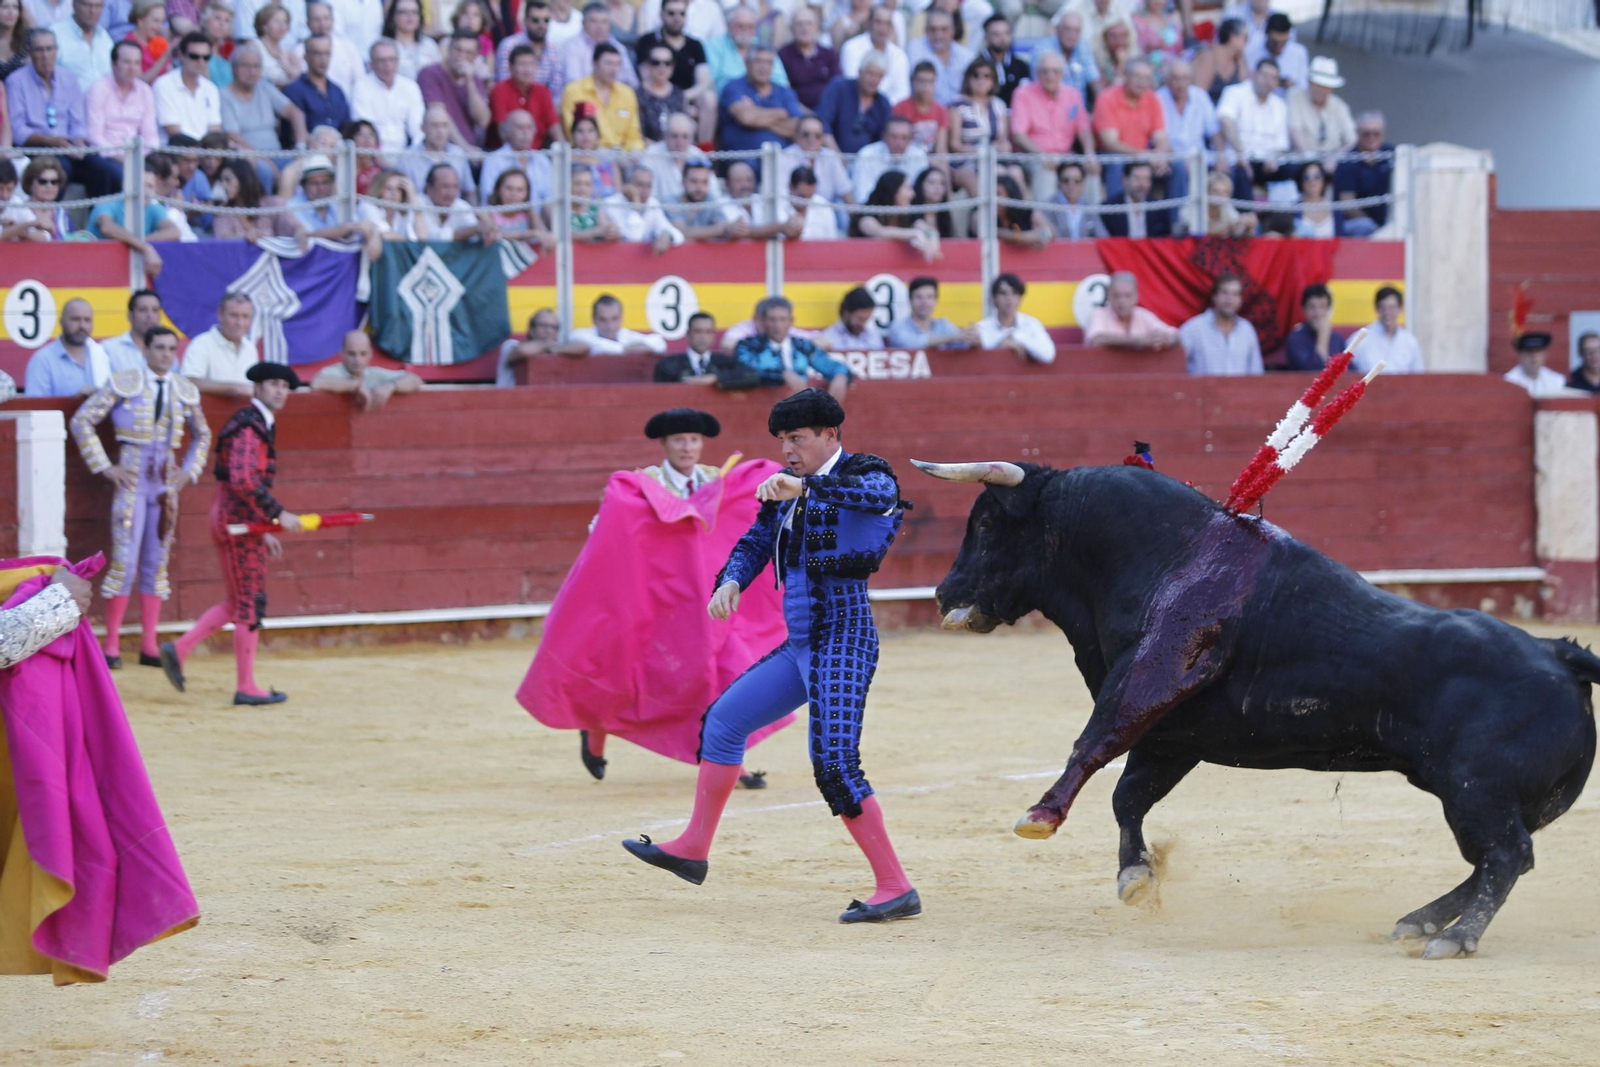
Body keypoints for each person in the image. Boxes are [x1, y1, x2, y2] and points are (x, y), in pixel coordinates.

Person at [623, 388, 919, 924]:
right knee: (723, 721)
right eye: (782, 441)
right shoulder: (783, 487)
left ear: (829, 434)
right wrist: (731, 579)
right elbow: (756, 540)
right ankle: (693, 848)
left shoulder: (864, 470)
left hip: (845, 639)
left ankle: (896, 886)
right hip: (803, 642)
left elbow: (877, 495)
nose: (787, 450)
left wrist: (804, 485)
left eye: (797, 439)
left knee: (834, 764)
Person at [517, 405, 787, 787]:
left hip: (707, 600)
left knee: (724, 675)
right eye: (679, 440)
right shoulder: (643, 486)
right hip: (656, 598)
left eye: (694, 440)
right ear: (664, 444)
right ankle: (594, 731)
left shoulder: (720, 481)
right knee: (626, 667)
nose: (687, 447)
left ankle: (732, 762)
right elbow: (611, 533)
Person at [160, 362, 306, 706]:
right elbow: (243, 480)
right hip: (237, 524)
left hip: (239, 521)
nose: (279, 391)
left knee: (236, 601)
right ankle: (246, 686)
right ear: (256, 388)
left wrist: (264, 527)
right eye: (273, 384)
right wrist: (276, 514)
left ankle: (178, 650)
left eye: (284, 386)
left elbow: (242, 482)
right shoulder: (250, 427)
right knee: (249, 603)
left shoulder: (255, 424)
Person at [69, 325, 210, 668]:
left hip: (164, 486)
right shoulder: (125, 380)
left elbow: (203, 434)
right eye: (159, 347)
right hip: (132, 478)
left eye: (171, 348)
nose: (166, 354)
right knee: (125, 562)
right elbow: (82, 421)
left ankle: (148, 646)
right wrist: (105, 467)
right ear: (145, 349)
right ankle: (113, 646)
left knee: (155, 563)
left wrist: (188, 472)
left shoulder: (184, 389)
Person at [8, 28, 123, 195]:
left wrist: (77, 141)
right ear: (30, 52)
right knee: (62, 168)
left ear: (57, 51)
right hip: (36, 147)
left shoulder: (68, 78)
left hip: (67, 146)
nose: (45, 55)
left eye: (50, 49)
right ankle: (53, 219)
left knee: (108, 170)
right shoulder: (16, 81)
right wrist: (49, 140)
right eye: (40, 50)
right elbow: (18, 130)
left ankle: (98, 218)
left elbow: (78, 122)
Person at [1009, 50, 1097, 197]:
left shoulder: (1072, 94)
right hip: (1034, 155)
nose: (1050, 76)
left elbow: (1084, 130)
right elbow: (1018, 134)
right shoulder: (1023, 94)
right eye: (1045, 71)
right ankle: (1044, 218)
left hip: (1067, 155)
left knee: (1092, 169)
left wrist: (1089, 153)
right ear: (1037, 73)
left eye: (1055, 71)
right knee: (1046, 170)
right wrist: (1042, 154)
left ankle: (1091, 218)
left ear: (1062, 74)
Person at [221, 43, 310, 186]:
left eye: (256, 66)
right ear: (234, 68)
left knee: (309, 164)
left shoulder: (264, 87)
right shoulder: (224, 95)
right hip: (248, 157)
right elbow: (233, 136)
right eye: (246, 66)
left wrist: (300, 148)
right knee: (266, 172)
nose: (252, 71)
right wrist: (266, 161)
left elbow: (296, 113)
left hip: (278, 153)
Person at [735, 295, 851, 398]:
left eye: (783, 319)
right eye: (772, 320)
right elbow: (746, 370)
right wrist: (781, 375)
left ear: (791, 321)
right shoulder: (748, 346)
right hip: (760, 407)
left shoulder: (802, 346)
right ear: (763, 321)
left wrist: (840, 376)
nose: (778, 325)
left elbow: (831, 365)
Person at [1218, 57, 1290, 199]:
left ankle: (1288, 219)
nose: (1268, 82)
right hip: (1239, 159)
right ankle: (1248, 217)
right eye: (1265, 76)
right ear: (1254, 74)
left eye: (1273, 78)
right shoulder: (1234, 92)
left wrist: (1273, 159)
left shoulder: (1280, 105)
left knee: (1294, 170)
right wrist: (1241, 154)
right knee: (1241, 172)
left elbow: (1282, 144)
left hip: (1266, 163)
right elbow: (1225, 120)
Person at [87, 167, 177, 277]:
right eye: (141, 184)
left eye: (150, 186)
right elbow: (107, 227)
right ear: (126, 185)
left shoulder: (153, 208)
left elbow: (174, 232)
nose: (145, 190)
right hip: (95, 266)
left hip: (126, 270)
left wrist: (136, 243)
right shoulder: (108, 203)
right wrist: (146, 247)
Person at [716, 43, 800, 155]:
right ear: (747, 63)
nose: (763, 67)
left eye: (768, 63)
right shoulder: (733, 87)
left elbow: (797, 128)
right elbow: (747, 118)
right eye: (758, 61)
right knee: (741, 172)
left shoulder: (785, 92)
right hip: (743, 157)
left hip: (782, 157)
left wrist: (756, 115)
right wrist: (780, 114)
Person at [23, 298, 117, 396]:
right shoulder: (43, 360)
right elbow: (36, 407)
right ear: (61, 322)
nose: (82, 326)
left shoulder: (103, 355)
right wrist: (74, 400)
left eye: (87, 320)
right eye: (75, 319)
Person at [312, 328, 423, 409]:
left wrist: (390, 386)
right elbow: (317, 383)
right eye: (352, 354)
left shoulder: (374, 373)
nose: (357, 360)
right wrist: (355, 385)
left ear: (370, 355)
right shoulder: (334, 372)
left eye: (363, 354)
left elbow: (415, 379)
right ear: (343, 355)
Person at [560, 41, 643, 149]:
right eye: (609, 63)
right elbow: (573, 131)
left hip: (623, 157)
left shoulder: (627, 93)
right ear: (594, 63)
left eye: (617, 64)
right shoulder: (574, 91)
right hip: (588, 156)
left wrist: (632, 154)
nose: (614, 69)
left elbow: (634, 134)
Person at [418, 29, 490, 147]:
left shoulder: (474, 78)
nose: (462, 56)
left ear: (475, 56)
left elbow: (483, 121)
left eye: (468, 53)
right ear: (449, 49)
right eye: (458, 50)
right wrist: (466, 149)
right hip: (443, 149)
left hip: (470, 149)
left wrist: (470, 81)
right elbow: (439, 114)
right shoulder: (430, 73)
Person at [1180, 273, 1262, 375]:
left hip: (1240, 391)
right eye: (1224, 293)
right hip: (1202, 391)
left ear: (1240, 300)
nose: (1229, 299)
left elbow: (1256, 373)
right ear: (1214, 297)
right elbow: (1176, 367)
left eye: (1235, 294)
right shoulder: (1193, 329)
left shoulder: (1247, 330)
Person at [352, 37, 425, 151]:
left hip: (406, 154)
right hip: (373, 153)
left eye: (391, 60)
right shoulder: (362, 87)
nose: (387, 65)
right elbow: (364, 128)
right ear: (371, 64)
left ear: (398, 62)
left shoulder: (410, 87)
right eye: (381, 60)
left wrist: (415, 155)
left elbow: (418, 129)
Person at [852, 169, 941, 262]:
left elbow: (927, 229)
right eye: (908, 188)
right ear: (893, 190)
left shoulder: (907, 214)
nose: (912, 194)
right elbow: (881, 232)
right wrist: (915, 233)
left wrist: (933, 237)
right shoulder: (867, 214)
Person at [181, 292, 259, 395]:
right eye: (234, 315)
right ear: (220, 314)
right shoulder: (202, 343)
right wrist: (234, 388)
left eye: (245, 317)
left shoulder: (250, 348)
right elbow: (188, 382)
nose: (240, 323)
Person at [815, 51, 891, 155]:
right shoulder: (839, 88)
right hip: (831, 156)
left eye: (878, 76)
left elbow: (883, 139)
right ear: (860, 72)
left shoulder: (883, 104)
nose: (873, 80)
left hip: (868, 162)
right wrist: (838, 157)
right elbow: (823, 123)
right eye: (870, 73)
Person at [397, 102, 477, 199]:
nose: (440, 131)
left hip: (453, 212)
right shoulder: (407, 158)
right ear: (423, 128)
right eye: (435, 125)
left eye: (444, 125)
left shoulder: (458, 154)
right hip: (419, 211)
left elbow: (469, 191)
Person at [968, 272, 1053, 363]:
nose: (1009, 298)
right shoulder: (982, 328)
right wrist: (1000, 345)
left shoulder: (1031, 324)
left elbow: (1048, 355)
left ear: (1020, 299)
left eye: (1014, 293)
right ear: (994, 298)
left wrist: (1015, 338)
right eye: (1003, 293)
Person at [153, 29, 223, 138]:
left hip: (206, 152)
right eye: (194, 56)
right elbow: (173, 130)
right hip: (174, 151)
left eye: (206, 57)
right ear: (181, 55)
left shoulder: (211, 88)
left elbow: (214, 128)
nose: (201, 62)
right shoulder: (163, 84)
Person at [490, 41, 561, 148]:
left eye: (531, 64)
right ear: (511, 68)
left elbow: (554, 126)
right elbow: (502, 131)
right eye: (522, 64)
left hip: (537, 153)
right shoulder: (500, 90)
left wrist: (565, 151)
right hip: (507, 153)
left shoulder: (543, 91)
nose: (527, 70)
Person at [1288, 55, 1355, 167]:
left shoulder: (1340, 106)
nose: (1321, 90)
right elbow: (1295, 131)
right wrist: (1312, 161)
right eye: (1317, 85)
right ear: (1309, 82)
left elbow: (1352, 140)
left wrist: (1335, 159)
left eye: (1326, 86)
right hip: (1301, 162)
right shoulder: (1295, 96)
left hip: (1332, 163)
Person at [603, 162, 685, 251]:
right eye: (640, 185)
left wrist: (666, 235)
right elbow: (634, 238)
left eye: (648, 186)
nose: (645, 191)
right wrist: (636, 203)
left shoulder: (652, 203)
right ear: (628, 185)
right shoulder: (611, 204)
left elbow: (678, 235)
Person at [1333, 110, 1391, 237]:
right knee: (1365, 226)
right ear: (1357, 134)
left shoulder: (1390, 153)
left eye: (1376, 133)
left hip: (1386, 222)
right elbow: (1348, 206)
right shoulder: (1348, 161)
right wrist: (1377, 228)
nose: (1371, 138)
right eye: (1366, 134)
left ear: (1383, 134)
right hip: (1356, 225)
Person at [1085, 272, 1179, 349]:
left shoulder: (1143, 315)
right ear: (1108, 297)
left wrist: (1166, 339)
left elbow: (1174, 334)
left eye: (1127, 296)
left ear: (1136, 297)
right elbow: (1097, 339)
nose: (1121, 301)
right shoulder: (1099, 314)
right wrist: (1140, 340)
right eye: (1116, 296)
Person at [851, 113, 927, 206]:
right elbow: (862, 196)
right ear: (884, 136)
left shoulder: (918, 156)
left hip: (909, 212)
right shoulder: (867, 155)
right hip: (875, 212)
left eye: (904, 137)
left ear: (911, 139)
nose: (899, 142)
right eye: (893, 137)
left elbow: (920, 195)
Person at [838, 4, 907, 103]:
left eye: (887, 23)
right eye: (878, 22)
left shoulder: (900, 56)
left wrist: (883, 107)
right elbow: (852, 84)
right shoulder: (851, 47)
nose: (883, 28)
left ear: (892, 27)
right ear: (869, 23)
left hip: (888, 111)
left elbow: (902, 93)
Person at [282, 32, 351, 132]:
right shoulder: (294, 90)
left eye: (327, 53)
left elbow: (347, 126)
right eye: (317, 53)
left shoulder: (337, 91)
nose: (323, 59)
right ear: (306, 57)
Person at [559, 293, 667, 356]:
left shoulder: (626, 335)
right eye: (603, 320)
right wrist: (623, 350)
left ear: (621, 318)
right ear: (594, 319)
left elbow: (659, 342)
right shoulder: (581, 335)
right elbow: (585, 344)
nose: (610, 326)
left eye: (614, 319)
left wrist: (619, 349)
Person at [779, 114, 853, 205]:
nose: (812, 139)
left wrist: (857, 217)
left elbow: (846, 192)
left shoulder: (831, 157)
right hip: (793, 212)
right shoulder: (784, 157)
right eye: (806, 134)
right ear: (797, 136)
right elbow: (781, 196)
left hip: (826, 213)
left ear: (822, 139)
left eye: (817, 135)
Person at [666, 159, 746, 241]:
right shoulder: (672, 201)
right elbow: (682, 232)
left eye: (704, 182)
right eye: (694, 181)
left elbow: (723, 223)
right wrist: (724, 230)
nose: (699, 187)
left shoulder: (710, 200)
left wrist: (736, 228)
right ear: (683, 182)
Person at [905, 6, 970, 105]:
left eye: (944, 29)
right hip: (927, 110)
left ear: (952, 31)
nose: (939, 35)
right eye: (933, 29)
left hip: (960, 112)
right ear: (926, 31)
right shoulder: (915, 49)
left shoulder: (966, 56)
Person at [775, 4, 833, 111]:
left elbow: (836, 88)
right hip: (795, 112)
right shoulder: (783, 55)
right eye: (799, 24)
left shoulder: (830, 55)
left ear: (817, 27)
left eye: (809, 23)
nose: (804, 28)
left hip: (827, 112)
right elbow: (782, 90)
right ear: (791, 28)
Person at [1033, 10, 1101, 102]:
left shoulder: (1083, 46)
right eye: (1067, 29)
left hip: (1078, 109)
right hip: (1048, 105)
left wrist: (1102, 105)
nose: (1071, 35)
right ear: (1058, 30)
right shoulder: (1042, 49)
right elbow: (1040, 84)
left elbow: (1095, 80)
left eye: (1076, 30)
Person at [1353, 286, 1423, 374]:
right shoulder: (1360, 339)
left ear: (1400, 309)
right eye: (1383, 308)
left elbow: (1418, 375)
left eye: (1392, 308)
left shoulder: (1410, 341)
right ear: (1377, 309)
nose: (1387, 313)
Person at [654, 312, 740, 382]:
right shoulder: (669, 364)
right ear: (688, 334)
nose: (703, 337)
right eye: (698, 331)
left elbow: (748, 376)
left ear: (713, 335)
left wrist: (717, 378)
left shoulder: (726, 363)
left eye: (708, 332)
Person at [296, 3, 361, 95]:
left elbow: (359, 81)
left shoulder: (348, 47)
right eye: (316, 19)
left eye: (326, 18)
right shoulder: (299, 51)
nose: (322, 24)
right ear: (308, 23)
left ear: (332, 21)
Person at [886, 275, 966, 349]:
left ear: (936, 301)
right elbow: (911, 344)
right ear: (910, 300)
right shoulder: (898, 326)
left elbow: (963, 344)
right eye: (919, 297)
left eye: (929, 297)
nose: (924, 302)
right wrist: (951, 338)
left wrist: (972, 338)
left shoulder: (943, 325)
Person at [48, 0, 113, 88]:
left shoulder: (104, 36)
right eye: (87, 5)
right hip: (70, 99)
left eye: (98, 6)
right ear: (74, 5)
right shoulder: (55, 34)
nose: (92, 11)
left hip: (106, 99)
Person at [1283, 282, 1346, 371]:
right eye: (1312, 307)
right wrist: (1323, 336)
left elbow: (1349, 371)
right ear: (1304, 309)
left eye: (1322, 307)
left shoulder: (1337, 338)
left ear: (1328, 309)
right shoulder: (1295, 339)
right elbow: (1314, 371)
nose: (1317, 313)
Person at [1101, 159, 1170, 239]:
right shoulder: (1109, 209)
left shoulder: (1159, 208)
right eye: (1137, 178)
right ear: (1125, 179)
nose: (1142, 184)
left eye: (1146, 179)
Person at [892, 59, 947, 155]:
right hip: (907, 160)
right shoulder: (900, 108)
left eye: (930, 81)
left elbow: (941, 150)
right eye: (921, 81)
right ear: (913, 81)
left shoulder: (941, 111)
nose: (925, 86)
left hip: (932, 163)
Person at [1243, 12, 1307, 94]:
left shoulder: (1299, 53)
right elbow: (1244, 80)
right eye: (1274, 43)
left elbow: (1304, 87)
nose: (1278, 47)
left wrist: (1289, 84)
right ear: (1266, 34)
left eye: (1283, 43)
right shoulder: (1250, 49)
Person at [103, 289, 166, 370]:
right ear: (130, 316)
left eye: (155, 310)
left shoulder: (167, 351)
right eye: (143, 310)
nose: (150, 315)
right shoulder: (109, 349)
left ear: (160, 317)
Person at [1190, 16, 1247, 104]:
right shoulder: (1209, 56)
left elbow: (1246, 90)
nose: (1247, 42)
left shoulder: (1239, 59)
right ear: (1233, 37)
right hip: (1208, 111)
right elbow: (1198, 95)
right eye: (1245, 38)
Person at [497, 307, 560, 384]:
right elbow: (522, 351)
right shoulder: (511, 345)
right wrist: (548, 344)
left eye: (554, 327)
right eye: (543, 326)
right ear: (531, 330)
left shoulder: (555, 351)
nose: (549, 331)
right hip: (509, 395)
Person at [978, 12, 1029, 105]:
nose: (1002, 38)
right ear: (986, 37)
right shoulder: (977, 65)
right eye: (996, 34)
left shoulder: (1021, 66)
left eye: (1006, 33)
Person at [1049, 159, 1105, 240]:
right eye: (1066, 180)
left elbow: (1103, 236)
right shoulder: (1048, 207)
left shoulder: (1090, 208)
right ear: (1059, 183)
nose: (1071, 185)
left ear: (1083, 184)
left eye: (1077, 181)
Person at [1500, 332, 1567, 398]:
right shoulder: (1510, 380)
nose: (1534, 357)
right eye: (1529, 352)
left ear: (1544, 354)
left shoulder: (1555, 380)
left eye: (1538, 351)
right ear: (1520, 355)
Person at [817, 286, 884, 352]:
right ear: (846, 313)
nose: (862, 324)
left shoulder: (873, 336)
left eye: (866, 319)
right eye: (860, 318)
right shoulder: (829, 338)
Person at [382, 0, 437, 78]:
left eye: (414, 12)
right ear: (393, 16)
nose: (410, 16)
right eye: (404, 12)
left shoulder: (429, 44)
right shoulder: (384, 46)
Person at [253, 2, 301, 86]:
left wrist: (287, 67)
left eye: (285, 22)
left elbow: (300, 80)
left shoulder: (287, 52)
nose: (282, 26)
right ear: (263, 25)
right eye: (277, 21)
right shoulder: (254, 47)